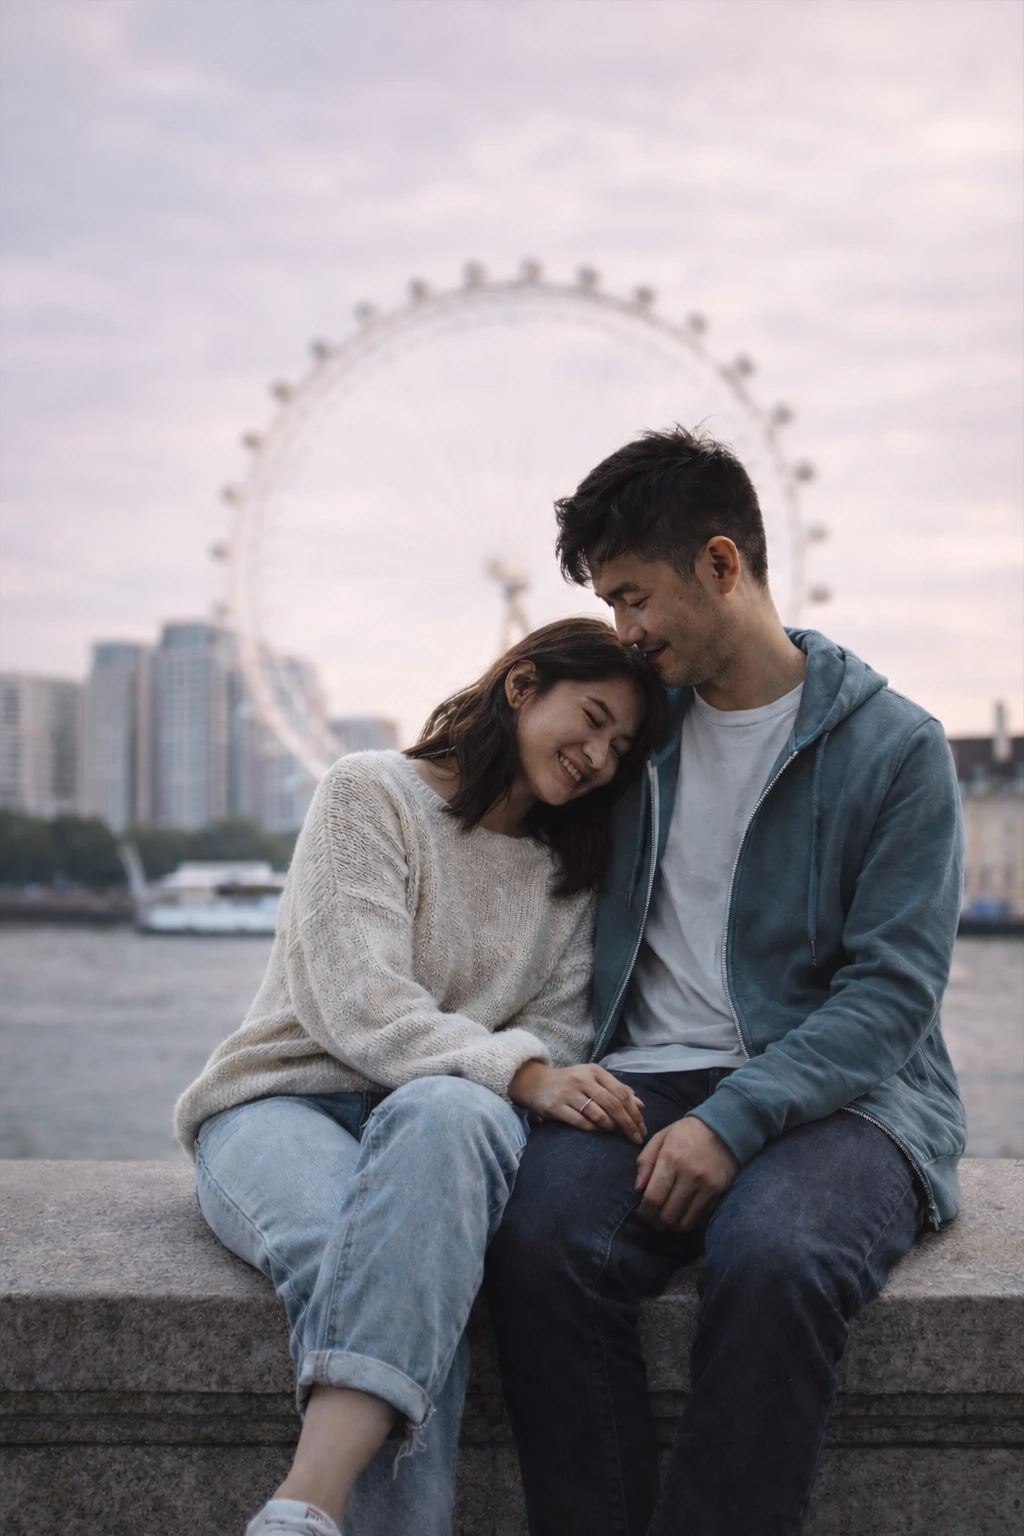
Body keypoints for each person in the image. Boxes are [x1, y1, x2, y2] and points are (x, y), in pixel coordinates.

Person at [485, 427, 966, 1536]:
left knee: (778, 1256)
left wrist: (734, 1120)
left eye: (633, 597)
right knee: (539, 1246)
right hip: (642, 1078)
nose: (623, 631)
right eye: (610, 605)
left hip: (849, 1099)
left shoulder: (896, 748)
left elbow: (892, 997)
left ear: (719, 563)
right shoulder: (630, 741)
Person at [173, 617, 666, 1536]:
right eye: (593, 719)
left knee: (446, 1118)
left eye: (621, 747)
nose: (599, 756)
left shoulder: (572, 874)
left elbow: (558, 1033)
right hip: (284, 1099)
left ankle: (301, 1509)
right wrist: (519, 1073)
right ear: (522, 686)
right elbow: (358, 999)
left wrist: (515, 1072)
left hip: (447, 1126)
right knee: (365, 1259)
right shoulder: (370, 792)